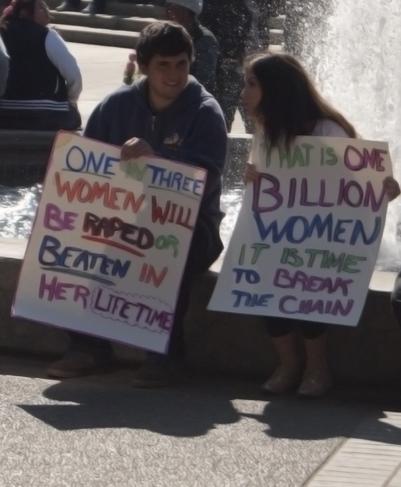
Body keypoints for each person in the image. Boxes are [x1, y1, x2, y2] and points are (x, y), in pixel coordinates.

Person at [47, 20, 227, 387]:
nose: (174, 74)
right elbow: (85, 165)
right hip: (122, 216)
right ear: (144, 66)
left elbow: (204, 181)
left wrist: (156, 159)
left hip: (192, 225)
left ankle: (166, 356)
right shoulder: (115, 105)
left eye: (181, 64)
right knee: (72, 237)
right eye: (164, 65)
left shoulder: (206, 112)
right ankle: (87, 345)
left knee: (164, 249)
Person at [241, 51, 400, 397]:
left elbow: (359, 186)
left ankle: (317, 367)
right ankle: (287, 363)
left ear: (276, 89)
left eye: (251, 84)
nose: (244, 92)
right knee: (265, 279)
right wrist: (252, 176)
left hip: (325, 238)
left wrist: (384, 189)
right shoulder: (268, 130)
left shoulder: (329, 130)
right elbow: (269, 187)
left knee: (311, 286)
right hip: (283, 232)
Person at [0, 0, 82, 130]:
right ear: (24, 12)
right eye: (40, 8)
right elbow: (74, 75)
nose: (46, 12)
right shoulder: (46, 35)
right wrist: (71, 101)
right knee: (74, 117)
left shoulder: (2, 34)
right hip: (47, 115)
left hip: (5, 113)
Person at [123, 0, 219, 97]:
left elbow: (204, 80)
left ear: (187, 12)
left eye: (174, 8)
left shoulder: (204, 40)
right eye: (168, 8)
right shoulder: (166, 35)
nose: (168, 13)